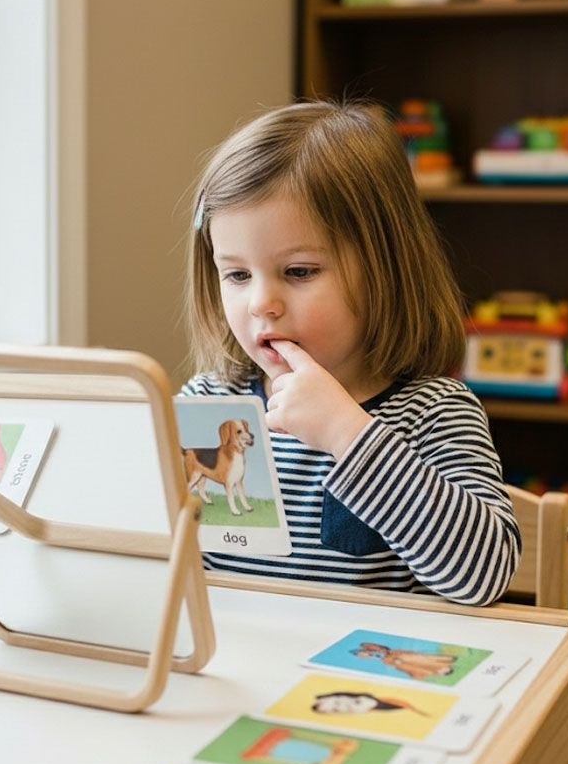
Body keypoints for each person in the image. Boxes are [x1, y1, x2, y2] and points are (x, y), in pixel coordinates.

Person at [181, 99, 520, 606]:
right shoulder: (209, 403)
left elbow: (483, 575)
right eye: (237, 274)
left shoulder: (431, 412)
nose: (261, 304)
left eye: (299, 272)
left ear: (384, 269)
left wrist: (348, 433)